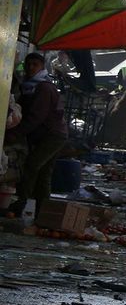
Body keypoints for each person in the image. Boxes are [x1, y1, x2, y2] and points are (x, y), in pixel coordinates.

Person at [9, 52, 68, 218]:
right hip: (52, 134)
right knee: (43, 174)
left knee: (31, 166)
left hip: (52, 135)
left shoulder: (43, 87)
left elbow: (36, 116)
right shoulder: (29, 86)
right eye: (28, 64)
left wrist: (15, 134)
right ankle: (43, 212)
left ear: (42, 67)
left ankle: (21, 204)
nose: (30, 67)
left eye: (35, 64)